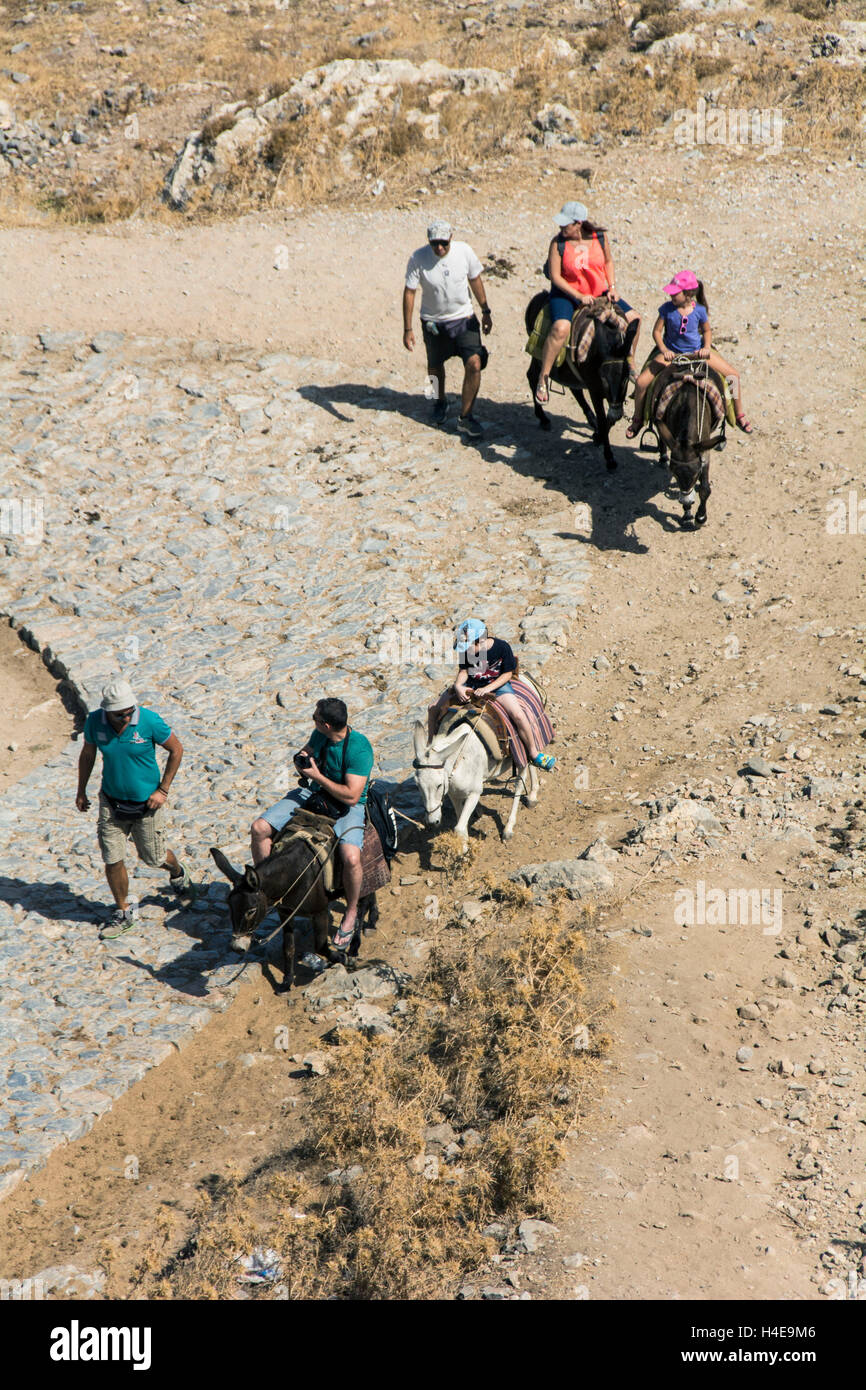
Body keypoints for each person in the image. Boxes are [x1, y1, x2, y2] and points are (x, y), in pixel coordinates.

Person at [250, 697, 374, 953]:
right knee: (259, 829)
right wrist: (303, 758)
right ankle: (268, 889)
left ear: (327, 724)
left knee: (351, 857)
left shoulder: (359, 749)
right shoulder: (321, 735)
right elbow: (307, 750)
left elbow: (351, 795)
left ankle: (350, 912)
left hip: (347, 805)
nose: (313, 721)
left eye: (316, 719)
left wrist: (317, 775)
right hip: (314, 793)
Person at [76, 678, 195, 938]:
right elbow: (88, 754)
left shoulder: (149, 720)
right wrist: (81, 790)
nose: (127, 717)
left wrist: (162, 790)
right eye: (120, 714)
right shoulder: (95, 721)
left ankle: (178, 872)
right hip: (111, 802)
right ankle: (123, 911)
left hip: (147, 806)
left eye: (130, 711)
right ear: (107, 711)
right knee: (112, 858)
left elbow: (176, 749)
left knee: (153, 858)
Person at [535, 200, 641, 405]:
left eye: (566, 224)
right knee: (561, 327)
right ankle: (544, 376)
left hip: (598, 292)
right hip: (567, 293)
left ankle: (629, 360)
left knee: (635, 319)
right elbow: (556, 277)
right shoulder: (558, 243)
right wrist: (577, 295)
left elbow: (608, 262)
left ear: (578, 224)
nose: (561, 228)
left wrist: (612, 287)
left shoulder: (599, 238)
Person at [627, 269, 752, 436]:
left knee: (733, 376)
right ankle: (638, 420)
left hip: (696, 353)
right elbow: (656, 332)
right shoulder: (666, 309)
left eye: (675, 293)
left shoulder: (699, 311)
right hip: (673, 355)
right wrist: (664, 350)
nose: (671, 296)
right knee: (642, 382)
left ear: (688, 294)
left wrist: (706, 347)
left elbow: (707, 331)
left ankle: (738, 415)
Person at [403, 219, 493, 439]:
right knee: (434, 366)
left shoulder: (464, 252)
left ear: (451, 238)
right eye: (435, 244)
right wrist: (408, 328)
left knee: (474, 363)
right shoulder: (418, 258)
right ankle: (437, 402)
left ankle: (466, 416)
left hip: (464, 319)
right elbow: (409, 292)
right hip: (433, 323)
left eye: (443, 243)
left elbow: (475, 279)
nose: (439, 248)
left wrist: (485, 310)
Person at [427, 618, 555, 771]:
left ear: (479, 642)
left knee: (518, 715)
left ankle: (533, 752)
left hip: (497, 686)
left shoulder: (502, 647)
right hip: (471, 684)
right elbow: (464, 671)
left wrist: (488, 688)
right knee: (432, 707)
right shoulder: (467, 651)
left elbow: (507, 674)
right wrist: (458, 686)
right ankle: (430, 745)